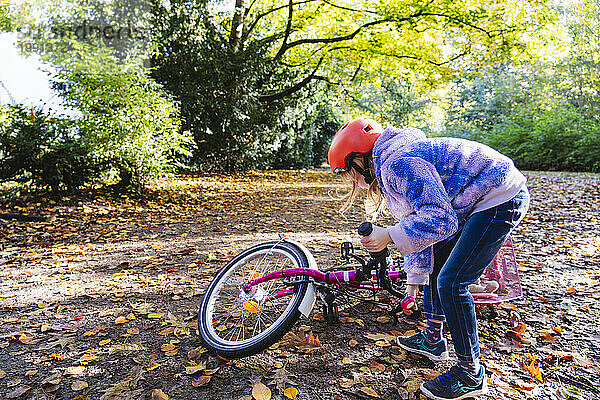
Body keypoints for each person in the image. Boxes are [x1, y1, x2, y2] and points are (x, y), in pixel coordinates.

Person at [328, 117, 530, 400]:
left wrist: (389, 234)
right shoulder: (394, 163)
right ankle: (433, 339)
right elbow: (424, 230)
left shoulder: (399, 164)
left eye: (351, 172)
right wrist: (414, 280)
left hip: (499, 197)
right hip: (480, 198)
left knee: (452, 282)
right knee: (438, 268)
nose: (357, 182)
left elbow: (440, 219)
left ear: (361, 159)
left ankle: (470, 373)